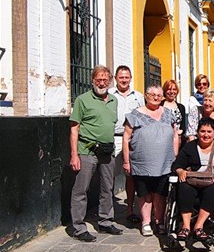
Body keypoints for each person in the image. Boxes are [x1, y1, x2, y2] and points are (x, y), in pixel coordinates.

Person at [69, 65, 122, 242]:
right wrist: (74, 155)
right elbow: (74, 129)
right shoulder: (82, 100)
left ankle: (105, 221)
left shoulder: (114, 100)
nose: (101, 83)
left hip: (107, 151)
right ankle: (78, 227)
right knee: (81, 189)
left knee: (107, 187)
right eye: (98, 80)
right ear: (92, 81)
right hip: (87, 150)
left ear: (110, 81)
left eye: (105, 80)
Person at [122, 86, 179, 236]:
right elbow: (126, 138)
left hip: (164, 163)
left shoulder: (169, 114)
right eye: (152, 95)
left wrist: (175, 156)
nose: (156, 97)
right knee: (145, 194)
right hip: (142, 164)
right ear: (146, 96)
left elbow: (175, 136)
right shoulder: (135, 115)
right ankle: (146, 222)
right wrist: (126, 161)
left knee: (160, 194)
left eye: (159, 95)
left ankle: (159, 221)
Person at [172, 118, 214, 241]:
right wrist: (180, 171)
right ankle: (185, 226)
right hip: (192, 181)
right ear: (197, 132)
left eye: (209, 131)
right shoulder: (190, 147)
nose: (206, 135)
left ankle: (198, 226)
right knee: (184, 188)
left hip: (212, 181)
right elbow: (177, 164)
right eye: (202, 131)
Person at [108, 65, 144, 224]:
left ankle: (130, 209)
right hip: (114, 138)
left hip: (132, 139)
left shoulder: (138, 96)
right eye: (121, 77)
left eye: (126, 77)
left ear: (130, 78)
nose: (124, 80)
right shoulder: (108, 95)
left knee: (131, 176)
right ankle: (109, 210)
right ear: (116, 78)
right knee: (110, 175)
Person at [161, 80, 187, 149]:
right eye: (169, 89)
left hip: (178, 141)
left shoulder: (181, 107)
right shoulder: (160, 105)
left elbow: (183, 126)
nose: (172, 92)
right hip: (163, 140)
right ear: (165, 91)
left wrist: (179, 133)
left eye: (174, 89)